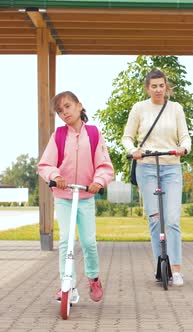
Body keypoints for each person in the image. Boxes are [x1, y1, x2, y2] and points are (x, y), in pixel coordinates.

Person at [38, 91, 114, 303]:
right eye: (60, 111)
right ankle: (66, 284)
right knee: (65, 240)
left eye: (68, 107)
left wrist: (98, 181)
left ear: (79, 106)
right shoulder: (59, 136)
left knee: (89, 242)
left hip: (85, 196)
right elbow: (45, 164)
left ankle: (93, 277)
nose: (64, 113)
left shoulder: (94, 134)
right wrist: (56, 176)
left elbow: (104, 165)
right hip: (63, 196)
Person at [122, 69, 191, 286]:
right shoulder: (139, 108)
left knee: (171, 219)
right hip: (147, 167)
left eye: (161, 85)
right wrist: (133, 150)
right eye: (154, 86)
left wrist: (183, 148)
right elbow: (127, 137)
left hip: (171, 167)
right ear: (147, 88)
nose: (158, 90)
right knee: (154, 219)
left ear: (166, 87)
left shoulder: (175, 108)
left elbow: (185, 136)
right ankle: (162, 265)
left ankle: (176, 269)